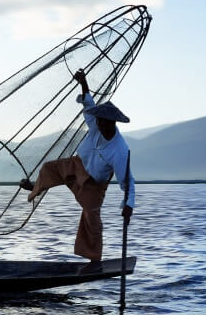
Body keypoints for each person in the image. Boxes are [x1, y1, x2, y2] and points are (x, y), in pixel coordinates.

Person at [19, 69, 134, 262]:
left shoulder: (119, 150)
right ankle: (37, 186)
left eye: (102, 121)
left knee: (91, 218)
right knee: (48, 168)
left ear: (111, 123)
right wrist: (84, 82)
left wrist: (129, 204)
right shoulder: (97, 124)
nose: (97, 123)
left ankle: (94, 258)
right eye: (97, 120)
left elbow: (127, 181)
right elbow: (89, 105)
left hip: (93, 184)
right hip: (76, 165)